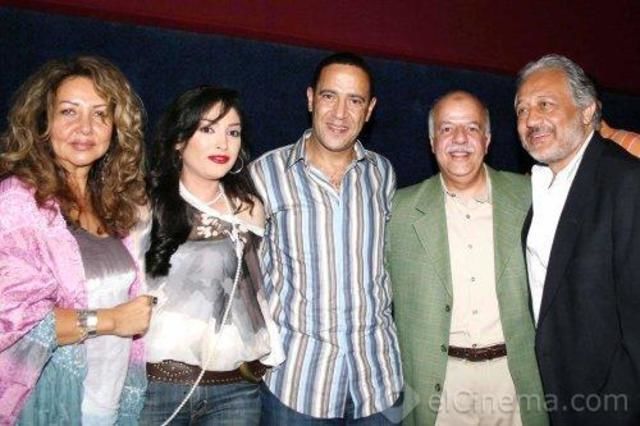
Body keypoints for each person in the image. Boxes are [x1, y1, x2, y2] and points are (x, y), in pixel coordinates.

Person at [250, 52, 403, 424]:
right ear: (310, 99)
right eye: (329, 96)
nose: (340, 113)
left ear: (370, 110)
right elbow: (242, 279)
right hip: (297, 385)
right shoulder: (264, 174)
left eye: (355, 100)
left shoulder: (383, 174)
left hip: (379, 383)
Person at [0, 56, 152, 425]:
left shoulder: (116, 202)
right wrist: (112, 320)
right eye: (69, 112)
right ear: (43, 122)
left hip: (109, 402)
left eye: (100, 114)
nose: (85, 127)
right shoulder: (19, 203)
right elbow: (12, 321)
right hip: (51, 404)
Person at [388, 91, 547, 426]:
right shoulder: (398, 211)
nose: (459, 139)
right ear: (432, 142)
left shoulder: (532, 198)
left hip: (514, 381)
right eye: (446, 129)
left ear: (487, 140)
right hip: (440, 387)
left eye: (472, 128)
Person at [140, 86, 284, 425]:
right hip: (159, 385)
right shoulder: (146, 202)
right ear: (179, 140)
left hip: (235, 389)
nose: (223, 143)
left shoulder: (249, 207)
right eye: (208, 129)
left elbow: (257, 293)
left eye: (232, 132)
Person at [515, 54, 640, 425]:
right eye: (522, 109)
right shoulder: (540, 186)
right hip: (558, 397)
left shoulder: (627, 183)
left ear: (588, 112)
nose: (530, 119)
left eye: (545, 104)